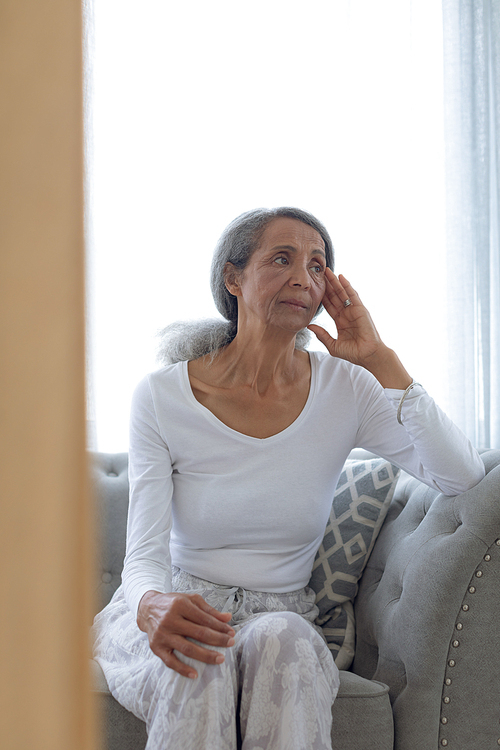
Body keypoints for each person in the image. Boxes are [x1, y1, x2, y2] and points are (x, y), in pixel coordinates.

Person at [92, 207, 485, 750]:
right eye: (283, 258)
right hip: (183, 600)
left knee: (286, 644)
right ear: (233, 277)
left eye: (318, 265)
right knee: (200, 662)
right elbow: (146, 551)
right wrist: (150, 603)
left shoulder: (347, 388)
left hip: (280, 614)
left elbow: (461, 476)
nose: (304, 277)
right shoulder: (162, 396)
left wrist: (380, 359)